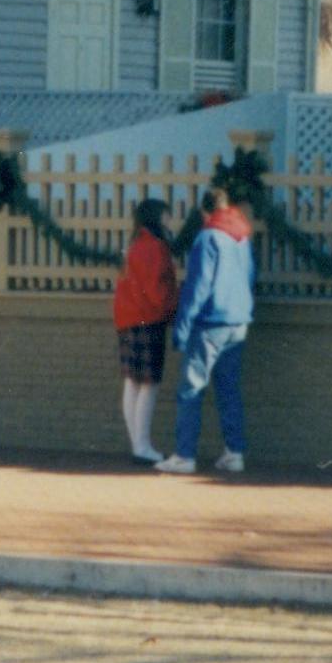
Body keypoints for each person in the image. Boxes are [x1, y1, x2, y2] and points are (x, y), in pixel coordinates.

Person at [156, 182, 255, 478]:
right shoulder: (242, 237)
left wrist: (182, 328)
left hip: (210, 322)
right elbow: (250, 276)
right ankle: (234, 452)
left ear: (204, 211)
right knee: (228, 389)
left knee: (191, 388)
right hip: (238, 319)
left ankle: (185, 454)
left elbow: (198, 286)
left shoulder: (207, 237)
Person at [109, 197, 179, 466]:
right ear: (156, 218)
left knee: (132, 382)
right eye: (166, 215)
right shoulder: (155, 247)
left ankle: (138, 443)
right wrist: (173, 305)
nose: (168, 221)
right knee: (149, 383)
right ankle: (142, 445)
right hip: (148, 319)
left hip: (127, 319)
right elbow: (157, 290)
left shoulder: (135, 245)